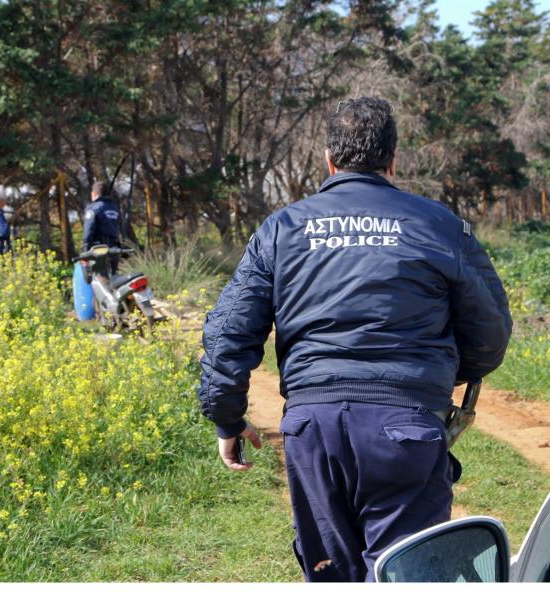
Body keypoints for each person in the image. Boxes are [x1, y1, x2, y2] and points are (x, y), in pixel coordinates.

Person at [198, 96, 512, 582]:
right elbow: (490, 331)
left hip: (312, 430)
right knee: (407, 577)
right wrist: (440, 377)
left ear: (329, 159)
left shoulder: (282, 228)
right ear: (392, 160)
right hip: (406, 428)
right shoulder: (438, 224)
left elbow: (228, 333)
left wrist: (227, 418)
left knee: (330, 577)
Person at [82, 181, 121, 277]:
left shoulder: (93, 208)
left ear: (93, 194)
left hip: (99, 250)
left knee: (100, 280)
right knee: (113, 277)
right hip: (114, 248)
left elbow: (88, 231)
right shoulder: (115, 207)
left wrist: (86, 252)